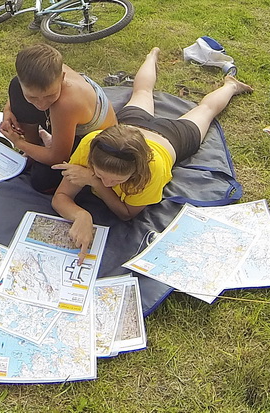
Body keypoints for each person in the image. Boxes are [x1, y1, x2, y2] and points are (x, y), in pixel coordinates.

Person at [51, 47, 252, 262]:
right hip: (131, 127)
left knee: (206, 110)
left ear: (137, 169)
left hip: (171, 139)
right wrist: (81, 215)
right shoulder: (92, 144)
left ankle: (231, 85)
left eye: (116, 180)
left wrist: (94, 181)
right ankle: (151, 55)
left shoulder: (152, 169)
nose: (108, 183)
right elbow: (61, 197)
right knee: (141, 92)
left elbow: (127, 213)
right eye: (101, 175)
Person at [0, 43, 117, 193]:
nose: (41, 104)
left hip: (96, 141)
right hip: (66, 121)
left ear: (62, 78)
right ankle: (35, 147)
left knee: (42, 180)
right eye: (32, 97)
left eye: (50, 95)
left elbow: (58, 158)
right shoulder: (44, 72)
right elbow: (20, 89)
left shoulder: (66, 104)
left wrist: (19, 142)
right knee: (15, 88)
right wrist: (8, 110)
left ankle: (36, 148)